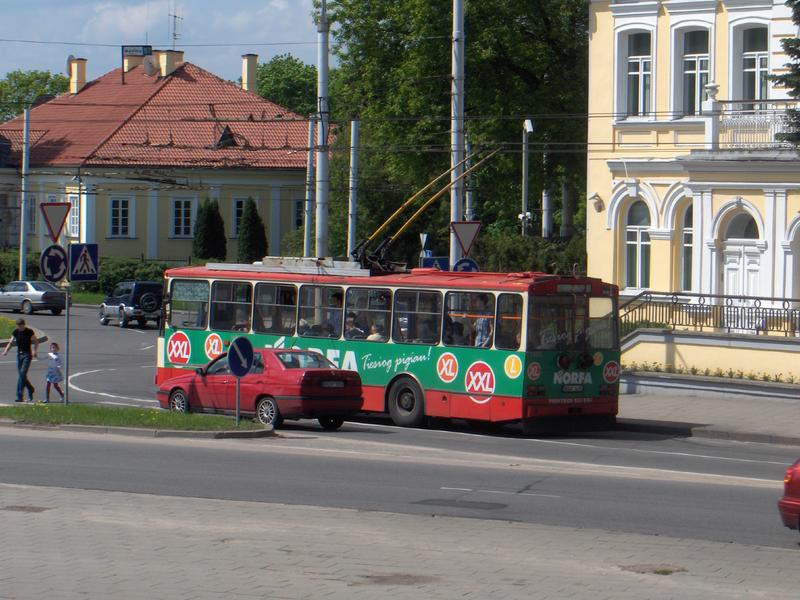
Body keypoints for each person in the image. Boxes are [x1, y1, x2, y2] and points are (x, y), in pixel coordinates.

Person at [2, 318, 38, 402]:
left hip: (27, 355)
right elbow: (10, 342)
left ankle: (19, 396)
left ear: (24, 325)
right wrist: (6, 351)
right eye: (18, 326)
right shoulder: (15, 332)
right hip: (19, 355)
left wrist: (34, 351)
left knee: (22, 374)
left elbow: (36, 342)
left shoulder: (29, 332)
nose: (20, 327)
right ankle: (30, 388)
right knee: (22, 376)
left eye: (21, 326)